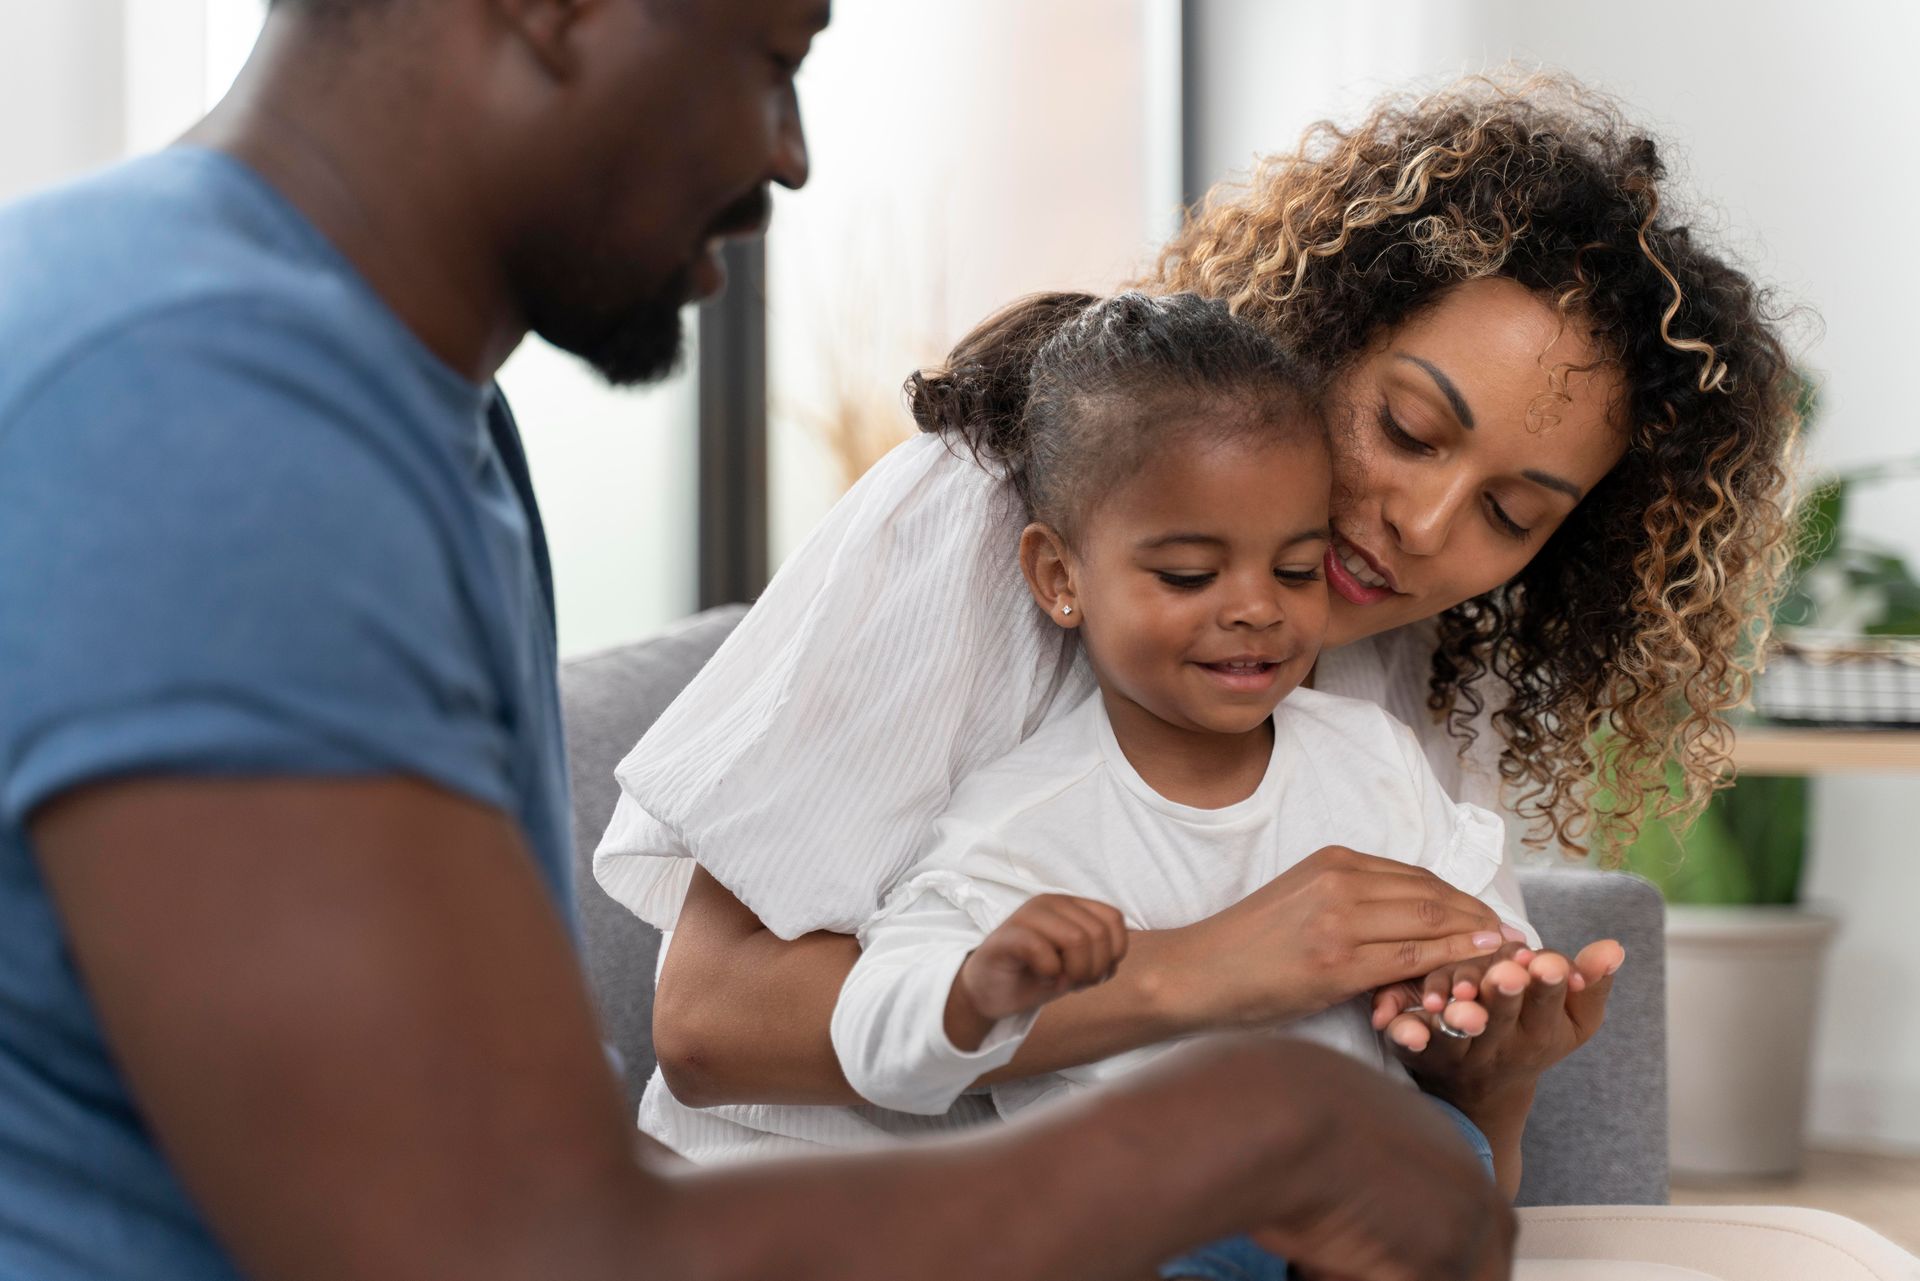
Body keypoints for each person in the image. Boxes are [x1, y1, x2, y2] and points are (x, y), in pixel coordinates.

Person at [0, 1, 1524, 1279]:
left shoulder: (424, 423)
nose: (786, 157)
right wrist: (1268, 1129)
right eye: (772, 58)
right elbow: (490, 1250)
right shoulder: (203, 405)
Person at [595, 74, 1791, 1182]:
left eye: (1510, 512)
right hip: (821, 1215)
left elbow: (1449, 1189)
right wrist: (1203, 965)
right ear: (1317, 330)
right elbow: (708, 1023)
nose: (1425, 525)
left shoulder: (1414, 664)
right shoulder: (985, 508)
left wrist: (1492, 1072)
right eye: (1411, 429)